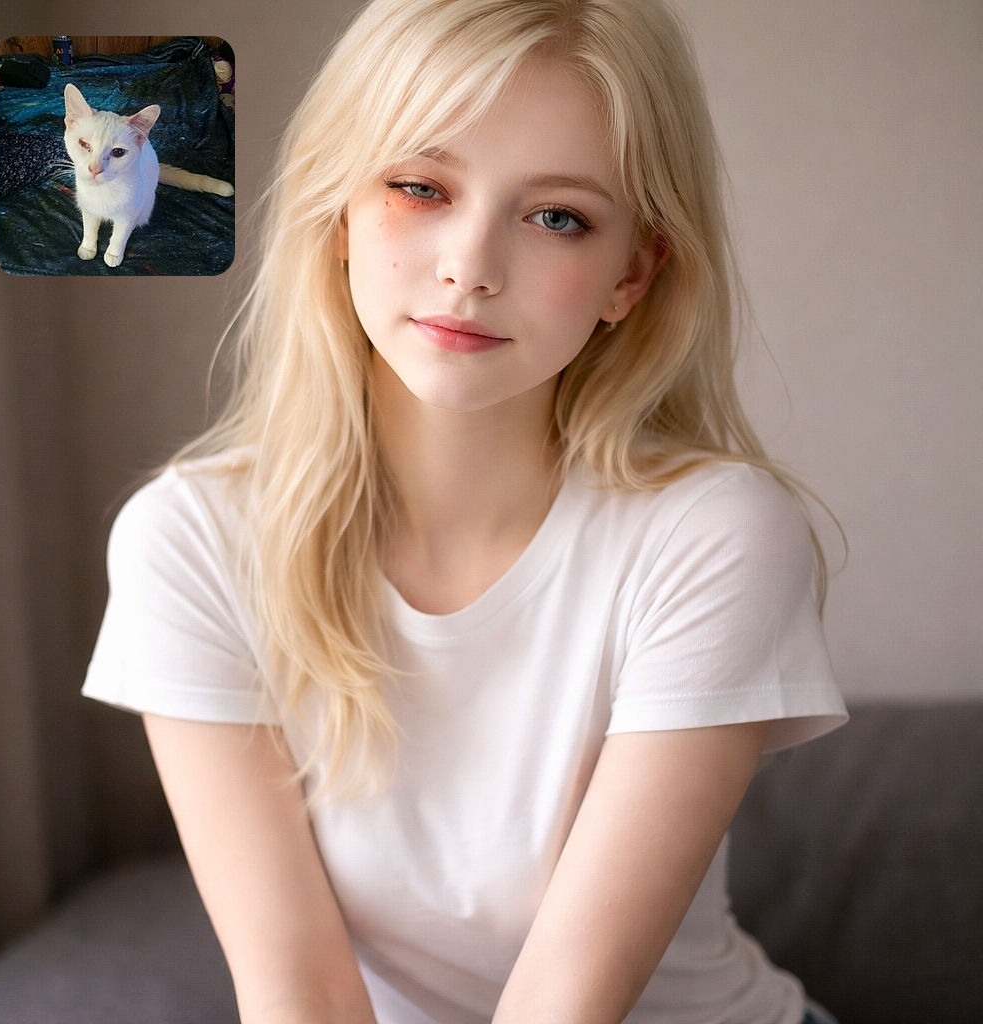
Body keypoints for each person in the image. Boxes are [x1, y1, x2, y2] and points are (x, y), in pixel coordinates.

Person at [83, 1, 848, 1021]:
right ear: (338, 209)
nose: (469, 265)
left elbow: (566, 1005)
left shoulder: (715, 534)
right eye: (418, 187)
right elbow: (298, 996)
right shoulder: (190, 541)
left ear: (631, 271)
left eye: (556, 216)